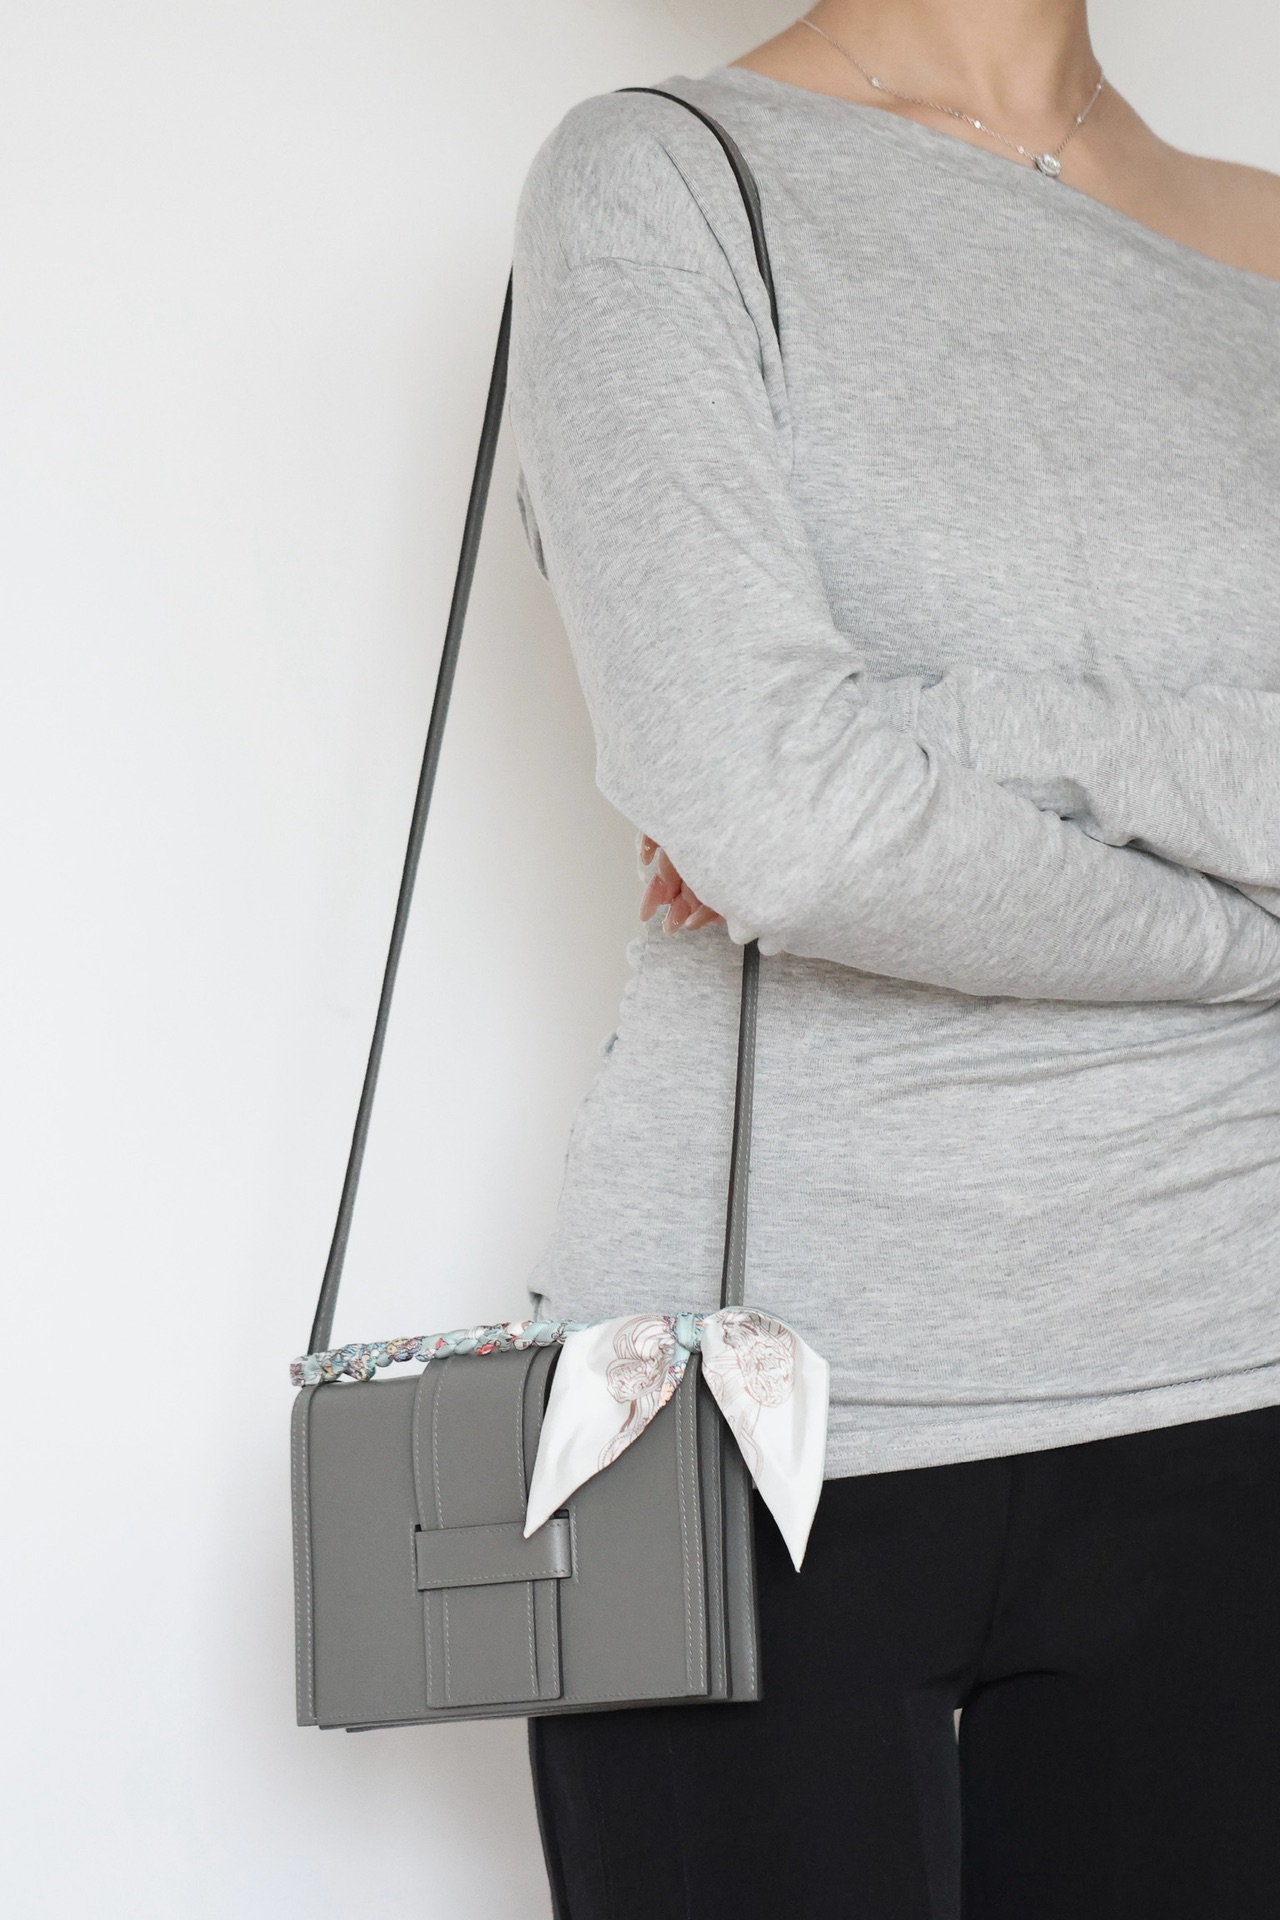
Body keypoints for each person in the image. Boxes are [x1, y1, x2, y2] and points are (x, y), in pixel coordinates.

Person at [506, 3, 1280, 1914]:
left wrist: (933, 724)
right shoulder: (663, 181)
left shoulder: (1264, 236)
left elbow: (799, 797)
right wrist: (1249, 942)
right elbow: (781, 820)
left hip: (1240, 1361)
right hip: (734, 1412)